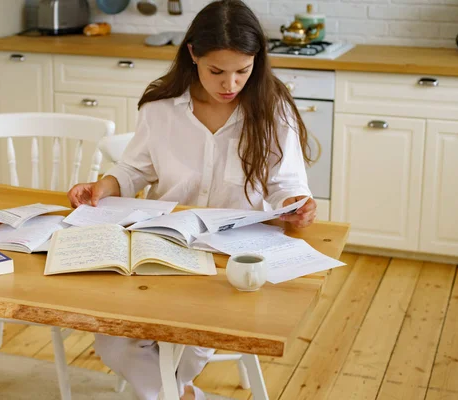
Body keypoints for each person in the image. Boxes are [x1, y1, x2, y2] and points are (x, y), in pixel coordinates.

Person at [68, 0, 317, 398]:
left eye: (242, 71)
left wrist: (298, 204)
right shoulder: (161, 107)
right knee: (111, 340)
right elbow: (134, 169)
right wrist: (105, 185)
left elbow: (285, 183)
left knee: (191, 343)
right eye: (217, 71)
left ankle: (172, 392)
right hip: (159, 248)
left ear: (257, 61)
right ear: (193, 55)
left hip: (230, 260)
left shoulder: (273, 110)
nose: (230, 85)